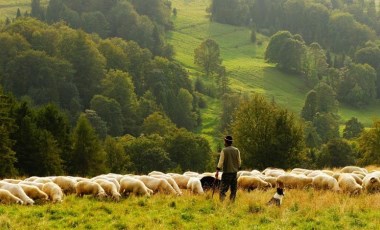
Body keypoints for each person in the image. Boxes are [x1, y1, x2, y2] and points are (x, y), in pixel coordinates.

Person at [215, 135, 241, 202]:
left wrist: (217, 171)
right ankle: (232, 203)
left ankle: (222, 203)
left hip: (226, 173)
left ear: (226, 142)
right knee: (233, 190)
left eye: (224, 141)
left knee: (222, 190)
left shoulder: (224, 150)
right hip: (234, 173)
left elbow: (220, 162)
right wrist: (236, 167)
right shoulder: (236, 150)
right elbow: (239, 162)